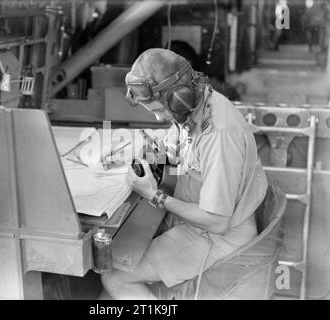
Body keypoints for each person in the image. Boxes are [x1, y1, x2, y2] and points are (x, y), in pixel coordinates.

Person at [100, 48, 268, 300]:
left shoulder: (219, 135)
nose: (158, 117)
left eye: (160, 110)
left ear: (179, 97)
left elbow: (217, 222)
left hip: (218, 236)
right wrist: (134, 150)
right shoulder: (194, 106)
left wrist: (153, 194)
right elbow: (176, 149)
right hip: (198, 223)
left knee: (113, 274)